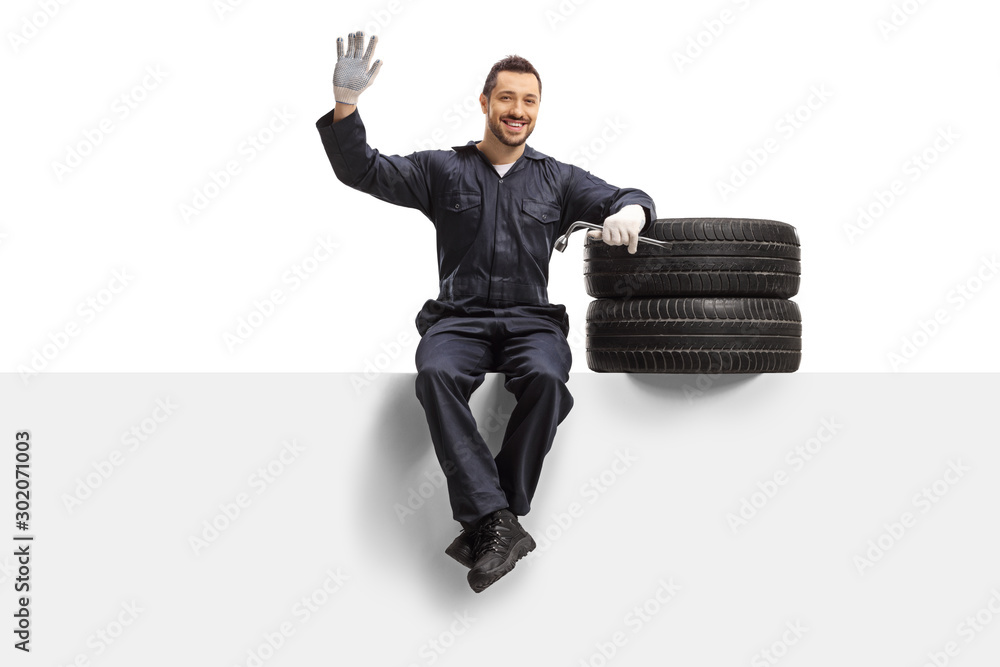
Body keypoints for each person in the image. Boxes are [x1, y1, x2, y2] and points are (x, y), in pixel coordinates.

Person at [316, 31, 656, 592]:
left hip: (531, 322)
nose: (517, 111)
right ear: (484, 104)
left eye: (528, 101)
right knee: (437, 374)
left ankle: (492, 518)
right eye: (506, 99)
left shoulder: (559, 179)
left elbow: (628, 195)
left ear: (537, 109)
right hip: (459, 319)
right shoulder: (442, 170)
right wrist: (345, 106)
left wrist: (633, 213)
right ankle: (501, 523)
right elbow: (363, 170)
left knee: (549, 378)